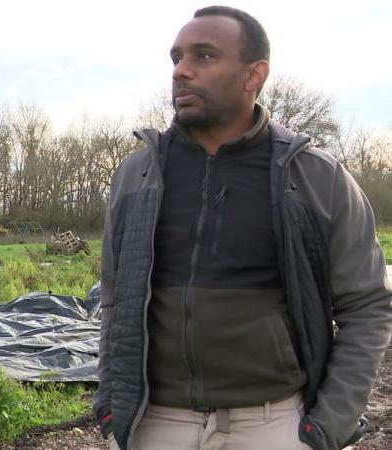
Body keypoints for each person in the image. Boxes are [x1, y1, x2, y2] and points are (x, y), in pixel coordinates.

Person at [93, 6, 391, 450]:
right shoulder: (138, 175)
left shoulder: (314, 178)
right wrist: (111, 406)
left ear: (255, 76)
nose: (181, 72)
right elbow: (115, 299)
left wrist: (327, 427)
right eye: (176, 58)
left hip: (272, 424)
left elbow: (367, 306)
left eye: (204, 56)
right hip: (155, 421)